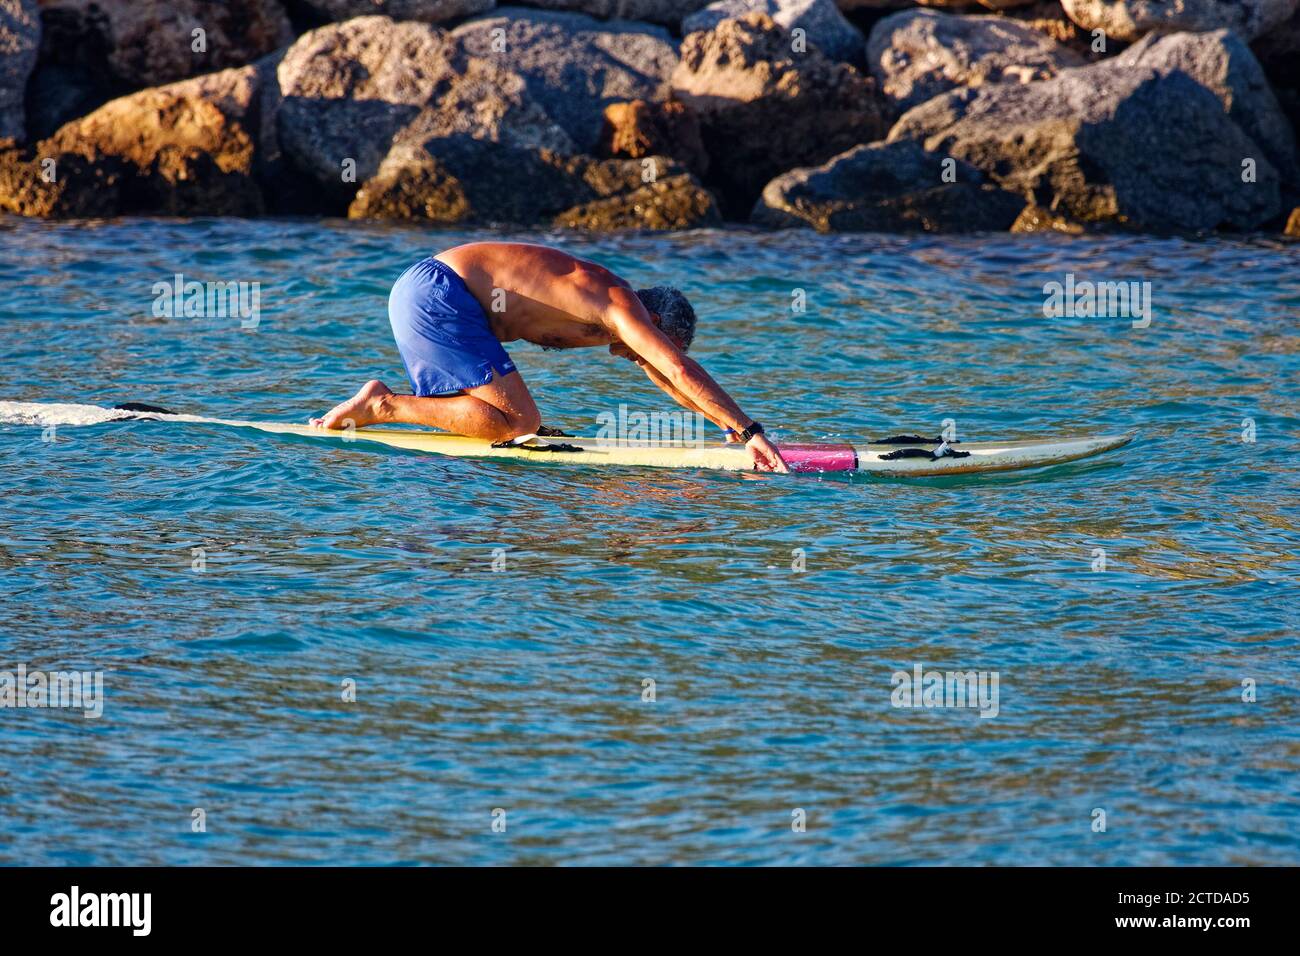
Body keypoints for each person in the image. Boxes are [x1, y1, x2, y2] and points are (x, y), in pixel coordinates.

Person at [312, 241, 787, 472]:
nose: (642, 358)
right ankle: (383, 406)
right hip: (438, 293)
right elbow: (678, 368)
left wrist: (726, 429)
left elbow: (669, 378)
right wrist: (752, 431)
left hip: (433, 296)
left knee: (491, 422)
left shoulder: (617, 315)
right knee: (519, 423)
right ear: (657, 325)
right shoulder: (620, 304)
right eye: (658, 347)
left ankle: (393, 410)